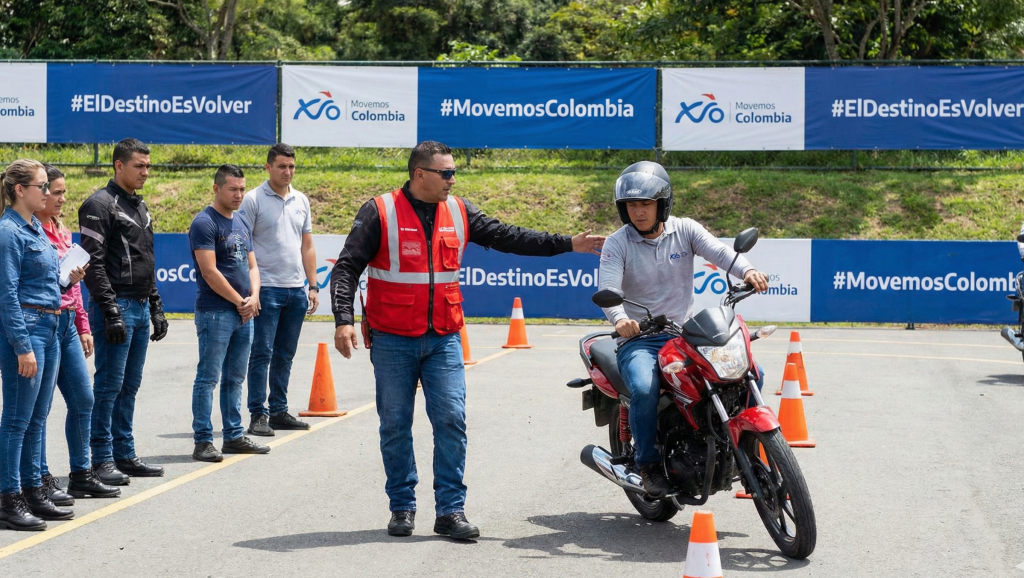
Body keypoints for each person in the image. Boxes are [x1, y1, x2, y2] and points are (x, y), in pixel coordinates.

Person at [330, 140, 605, 540]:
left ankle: (450, 511)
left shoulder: (459, 211)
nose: (453, 179)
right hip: (392, 339)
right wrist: (343, 320)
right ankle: (402, 507)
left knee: (452, 421)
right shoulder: (380, 211)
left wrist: (568, 244)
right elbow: (346, 267)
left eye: (454, 172)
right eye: (446, 173)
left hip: (443, 337)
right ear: (419, 174)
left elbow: (510, 237)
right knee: (394, 425)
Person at [597, 161, 769, 499]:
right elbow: (607, 287)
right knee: (645, 389)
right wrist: (620, 320)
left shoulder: (685, 229)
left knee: (751, 374)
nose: (639, 212)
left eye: (645, 204)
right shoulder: (618, 243)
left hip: (682, 334)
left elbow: (720, 252)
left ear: (662, 204)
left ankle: (748, 452)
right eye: (632, 205)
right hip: (640, 339)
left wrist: (747, 271)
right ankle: (646, 465)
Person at [0, 159, 85, 530]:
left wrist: (67, 282)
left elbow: (44, 284)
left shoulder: (36, 228)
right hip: (29, 331)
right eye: (41, 186)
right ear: (20, 190)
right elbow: (7, 295)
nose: (48, 192)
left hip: (49, 326)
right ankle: (8, 497)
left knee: (36, 417)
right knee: (17, 419)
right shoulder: (8, 232)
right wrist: (22, 346)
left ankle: (33, 489)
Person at [78, 138, 168, 486]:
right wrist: (110, 310)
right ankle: (100, 459)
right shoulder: (99, 205)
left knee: (129, 386)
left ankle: (124, 454)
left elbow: (148, 262)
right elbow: (93, 265)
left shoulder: (139, 205)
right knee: (108, 387)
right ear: (118, 166)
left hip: (140, 307)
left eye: (148, 166)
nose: (145, 171)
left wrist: (156, 306)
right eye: (139, 166)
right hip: (115, 308)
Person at [34, 165, 121, 502]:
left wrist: (83, 326)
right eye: (55, 192)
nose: (61, 198)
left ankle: (80, 473)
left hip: (68, 323)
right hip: (43, 322)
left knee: (84, 399)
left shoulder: (62, 230)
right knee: (37, 408)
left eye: (62, 192)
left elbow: (73, 288)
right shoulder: (32, 232)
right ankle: (38, 476)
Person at [189, 165, 269, 463]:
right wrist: (240, 301)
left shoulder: (241, 222)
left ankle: (233, 435)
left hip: (243, 312)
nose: (238, 194)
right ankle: (203, 440)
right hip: (215, 313)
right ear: (216, 189)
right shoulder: (204, 223)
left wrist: (255, 296)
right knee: (208, 378)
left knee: (235, 377)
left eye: (242, 189)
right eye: (232, 189)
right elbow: (209, 271)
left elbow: (252, 266)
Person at [239, 143, 318, 436]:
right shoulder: (253, 199)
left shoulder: (301, 200)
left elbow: (307, 245)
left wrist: (313, 286)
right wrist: (253, 290)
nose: (287, 172)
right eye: (282, 166)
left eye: (292, 166)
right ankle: (258, 414)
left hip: (296, 290)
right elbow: (243, 247)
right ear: (268, 167)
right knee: (262, 353)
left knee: (285, 353)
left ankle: (279, 410)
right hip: (267, 289)